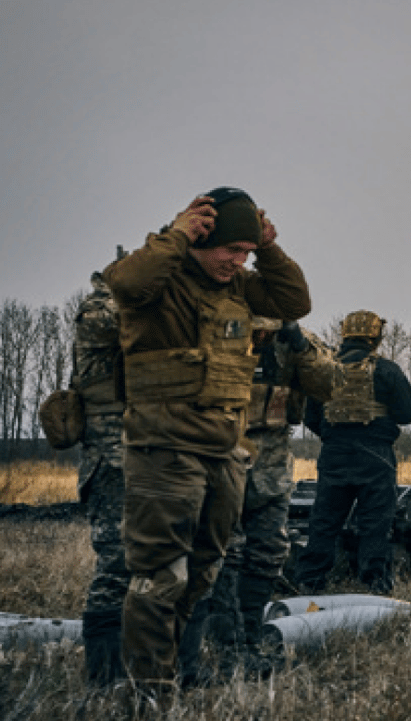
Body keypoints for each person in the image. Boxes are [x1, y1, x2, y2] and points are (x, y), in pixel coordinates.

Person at [103, 187, 311, 693]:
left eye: (245, 252)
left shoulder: (237, 287)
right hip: (166, 450)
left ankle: (182, 674)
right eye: (228, 250)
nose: (236, 262)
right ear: (201, 237)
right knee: (160, 577)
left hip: (225, 452)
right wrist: (176, 234)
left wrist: (269, 248)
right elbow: (124, 283)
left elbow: (294, 301)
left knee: (203, 573)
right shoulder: (161, 280)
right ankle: (148, 691)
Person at [179, 319, 336, 683]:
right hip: (223, 452)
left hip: (273, 462)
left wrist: (298, 343)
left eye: (268, 327)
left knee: (268, 551)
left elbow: (330, 384)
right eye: (257, 327)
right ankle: (227, 645)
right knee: (224, 553)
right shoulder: (219, 330)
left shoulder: (295, 343)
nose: (262, 334)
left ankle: (249, 638)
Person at [295, 311, 411, 596]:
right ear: (375, 337)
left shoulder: (324, 369)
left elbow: (310, 416)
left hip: (334, 454)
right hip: (376, 455)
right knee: (376, 522)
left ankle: (310, 582)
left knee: (324, 520)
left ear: (345, 335)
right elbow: (408, 413)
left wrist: (335, 434)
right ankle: (375, 583)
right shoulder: (387, 370)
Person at [73, 260, 130, 686]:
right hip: (110, 459)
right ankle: (104, 676)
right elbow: (108, 325)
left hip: (143, 452)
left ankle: (136, 663)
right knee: (116, 562)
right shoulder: (99, 307)